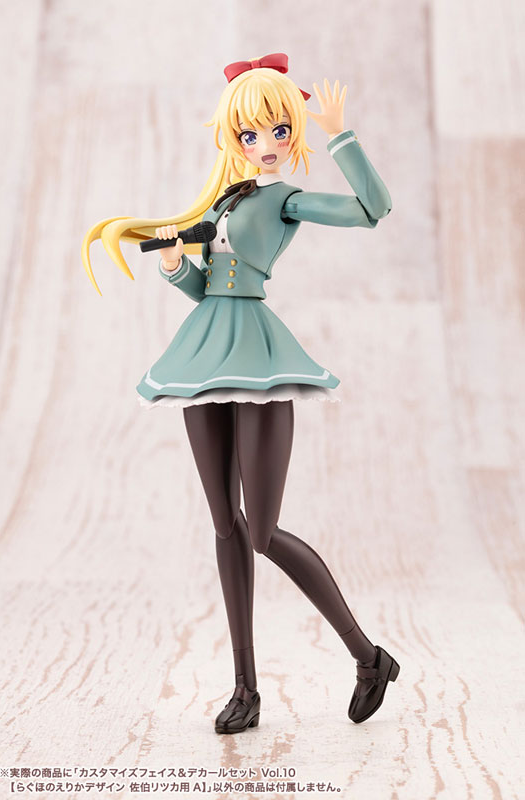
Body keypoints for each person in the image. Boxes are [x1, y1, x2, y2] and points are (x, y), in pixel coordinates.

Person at [82, 52, 400, 734]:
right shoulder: (227, 198)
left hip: (257, 354)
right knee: (225, 525)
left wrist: (340, 135)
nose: (266, 143)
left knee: (264, 531)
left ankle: (368, 656)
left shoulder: (285, 199)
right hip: (204, 351)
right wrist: (175, 263)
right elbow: (207, 287)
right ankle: (245, 689)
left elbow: (373, 210)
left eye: (279, 130)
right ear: (233, 136)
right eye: (251, 133)